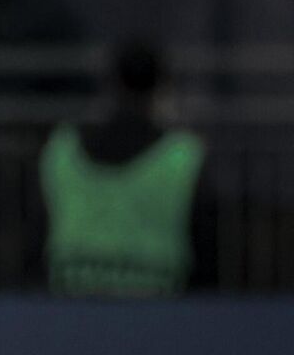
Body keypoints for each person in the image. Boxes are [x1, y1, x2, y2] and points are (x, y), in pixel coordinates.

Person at [39, 41, 214, 295]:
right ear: (163, 87)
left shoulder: (61, 149)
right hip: (159, 297)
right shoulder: (184, 156)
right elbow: (206, 245)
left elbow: (35, 235)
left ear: (110, 84)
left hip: (70, 293)